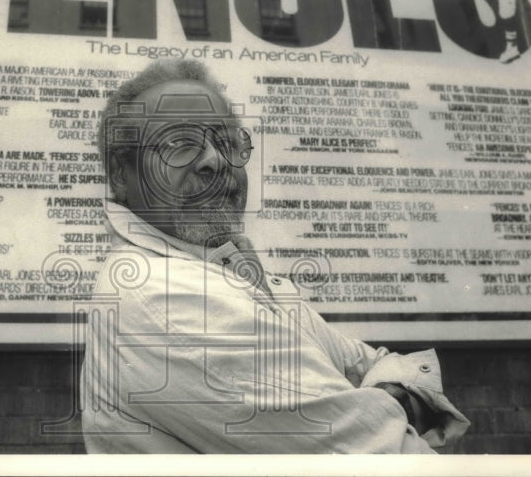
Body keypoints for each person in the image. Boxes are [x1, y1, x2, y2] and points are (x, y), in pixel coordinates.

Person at [79, 59, 469, 453]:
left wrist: (382, 401)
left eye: (228, 142)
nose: (215, 160)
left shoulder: (233, 274)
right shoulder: (165, 296)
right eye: (180, 144)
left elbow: (373, 362)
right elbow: (389, 457)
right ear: (120, 174)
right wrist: (390, 404)